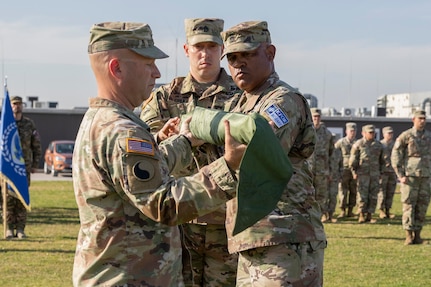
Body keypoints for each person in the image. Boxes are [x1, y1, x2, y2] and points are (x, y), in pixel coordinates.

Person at [72, 21, 246, 287]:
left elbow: (137, 179)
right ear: (116, 68)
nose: (156, 73)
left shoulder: (101, 120)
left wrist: (184, 141)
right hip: (129, 276)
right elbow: (164, 203)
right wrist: (228, 167)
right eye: (147, 64)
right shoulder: (122, 132)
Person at [221, 20, 327, 286]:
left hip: (285, 240)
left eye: (248, 54)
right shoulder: (238, 103)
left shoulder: (283, 100)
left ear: (270, 53)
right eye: (233, 58)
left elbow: (258, 150)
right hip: (253, 237)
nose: (239, 64)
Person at [140, 18, 240, 286]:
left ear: (222, 50)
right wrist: (162, 137)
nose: (204, 54)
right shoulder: (164, 98)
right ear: (186, 50)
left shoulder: (241, 97)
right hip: (179, 218)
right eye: (198, 47)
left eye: (211, 46)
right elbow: (144, 148)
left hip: (227, 219)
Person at [391, 110, 431, 245]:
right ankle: (408, 235)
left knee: (422, 205)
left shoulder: (428, 136)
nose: (422, 121)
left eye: (424, 118)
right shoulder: (406, 136)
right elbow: (396, 155)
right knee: (409, 205)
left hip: (425, 176)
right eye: (420, 118)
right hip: (410, 177)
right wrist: (400, 175)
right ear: (413, 119)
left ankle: (418, 235)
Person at [4, 95, 42, 239]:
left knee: (21, 198)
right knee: (7, 198)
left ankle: (20, 229)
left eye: (19, 104)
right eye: (14, 104)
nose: (17, 106)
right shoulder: (5, 124)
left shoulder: (29, 124)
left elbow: (36, 145)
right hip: (8, 167)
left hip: (23, 168)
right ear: (10, 106)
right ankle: (8, 228)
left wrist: (34, 165)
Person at [349, 124, 384, 223]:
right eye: (370, 133)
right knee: (362, 194)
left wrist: (381, 172)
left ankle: (370, 214)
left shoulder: (378, 145)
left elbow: (382, 160)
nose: (372, 134)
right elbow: (353, 160)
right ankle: (361, 214)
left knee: (373, 194)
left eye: (373, 133)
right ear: (363, 133)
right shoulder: (358, 144)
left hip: (375, 173)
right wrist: (354, 172)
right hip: (363, 173)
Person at [308, 108, 334, 222]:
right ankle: (308, 214)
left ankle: (322, 213)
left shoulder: (327, 134)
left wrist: (330, 170)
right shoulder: (306, 131)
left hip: (322, 169)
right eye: (314, 117)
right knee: (307, 193)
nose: (316, 119)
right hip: (307, 169)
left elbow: (331, 153)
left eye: (318, 117)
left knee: (321, 194)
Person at [335, 122, 357, 218]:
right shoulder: (341, 142)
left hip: (354, 170)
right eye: (350, 131)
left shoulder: (357, 143)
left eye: (354, 131)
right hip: (343, 170)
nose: (352, 133)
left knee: (354, 191)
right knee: (343, 191)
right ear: (346, 131)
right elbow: (335, 155)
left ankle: (350, 210)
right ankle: (342, 210)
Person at [377, 126, 397, 219]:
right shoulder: (380, 145)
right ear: (384, 134)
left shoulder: (395, 145)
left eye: (391, 133)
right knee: (382, 191)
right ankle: (381, 210)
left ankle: (388, 210)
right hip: (383, 171)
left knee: (390, 191)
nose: (390, 135)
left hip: (392, 172)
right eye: (388, 133)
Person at [328, 133, 342, 222]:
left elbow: (341, 164)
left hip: (335, 177)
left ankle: (331, 214)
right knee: (323, 197)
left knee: (333, 196)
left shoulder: (338, 151)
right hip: (324, 176)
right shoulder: (325, 150)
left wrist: (340, 174)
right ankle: (323, 214)